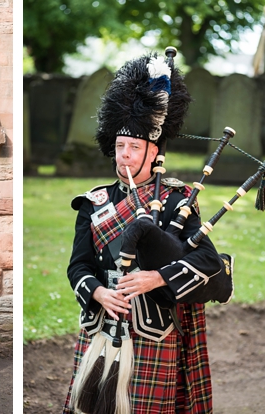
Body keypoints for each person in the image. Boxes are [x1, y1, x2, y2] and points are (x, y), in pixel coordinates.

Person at [63, 52, 224, 413]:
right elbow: (78, 267)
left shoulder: (174, 201)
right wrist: (99, 292)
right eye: (120, 147)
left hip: (155, 330)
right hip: (102, 325)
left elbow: (207, 259)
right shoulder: (93, 203)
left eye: (134, 148)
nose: (125, 156)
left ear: (154, 153)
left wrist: (156, 277)